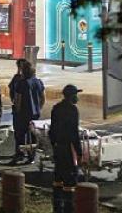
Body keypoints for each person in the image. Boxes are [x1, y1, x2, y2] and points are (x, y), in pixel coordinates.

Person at [49, 84, 83, 213]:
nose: (77, 98)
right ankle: (69, 208)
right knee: (70, 179)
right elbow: (74, 133)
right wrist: (79, 152)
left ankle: (57, 208)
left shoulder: (56, 108)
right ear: (72, 96)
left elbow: (51, 130)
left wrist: (54, 145)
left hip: (58, 147)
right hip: (69, 148)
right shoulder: (73, 110)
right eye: (76, 95)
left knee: (58, 177)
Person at [9, 59, 45, 164]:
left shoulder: (21, 83)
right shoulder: (38, 82)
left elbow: (18, 100)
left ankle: (20, 155)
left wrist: (18, 111)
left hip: (22, 114)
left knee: (20, 135)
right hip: (35, 114)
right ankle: (31, 156)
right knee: (33, 135)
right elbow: (43, 98)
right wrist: (38, 108)